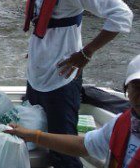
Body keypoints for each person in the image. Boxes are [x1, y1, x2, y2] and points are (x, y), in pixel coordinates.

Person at [22, 0, 133, 167]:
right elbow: (45, 23)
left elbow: (122, 15)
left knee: (64, 152)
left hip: (61, 80)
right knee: (35, 142)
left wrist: (87, 52)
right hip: (36, 75)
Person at [8, 54, 140, 168]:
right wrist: (32, 135)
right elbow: (83, 145)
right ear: (126, 89)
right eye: (137, 86)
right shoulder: (122, 124)